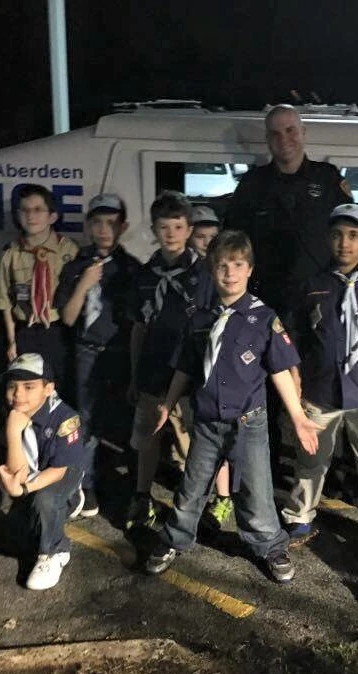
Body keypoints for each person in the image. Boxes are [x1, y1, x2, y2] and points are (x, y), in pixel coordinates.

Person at [145, 231, 320, 581]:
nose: (230, 273)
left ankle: (270, 546)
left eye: (237, 265)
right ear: (212, 270)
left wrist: (298, 416)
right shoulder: (200, 318)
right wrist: (167, 402)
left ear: (250, 270)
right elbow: (185, 367)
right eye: (222, 266)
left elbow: (280, 370)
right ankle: (174, 539)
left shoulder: (262, 317)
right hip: (207, 422)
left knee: (256, 489)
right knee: (192, 486)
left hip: (249, 422)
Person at [227, 105, 352, 483]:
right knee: (265, 388)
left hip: (318, 307)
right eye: (276, 133)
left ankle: (316, 471)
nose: (285, 139)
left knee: (317, 388)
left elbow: (355, 229)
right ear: (268, 140)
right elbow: (232, 242)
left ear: (303, 132)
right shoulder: (253, 186)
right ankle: (263, 467)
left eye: (290, 130)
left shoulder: (328, 179)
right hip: (267, 306)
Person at [281, 204, 358, 559]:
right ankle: (300, 515)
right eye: (337, 235)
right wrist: (296, 384)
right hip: (320, 393)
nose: (344, 243)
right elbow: (294, 338)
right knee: (311, 462)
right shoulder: (314, 285)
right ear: (328, 238)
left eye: (353, 236)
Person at [126, 191, 215, 530]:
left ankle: (195, 500)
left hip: (192, 372)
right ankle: (142, 495)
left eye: (178, 227)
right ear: (154, 229)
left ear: (189, 228)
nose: (171, 234)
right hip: (154, 367)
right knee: (148, 435)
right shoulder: (147, 274)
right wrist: (135, 376)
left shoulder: (205, 271)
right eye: (164, 227)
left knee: (192, 436)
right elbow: (139, 327)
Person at [55, 193, 140, 519]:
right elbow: (68, 317)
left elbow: (136, 321)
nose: (104, 229)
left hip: (118, 354)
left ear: (123, 226)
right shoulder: (77, 265)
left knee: (124, 421)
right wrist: (85, 283)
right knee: (85, 421)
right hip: (86, 352)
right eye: (97, 222)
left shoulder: (131, 268)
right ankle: (85, 484)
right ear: (88, 226)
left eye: (112, 222)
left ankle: (129, 487)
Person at [0, 354, 85, 590]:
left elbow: (57, 471)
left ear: (48, 388)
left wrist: (24, 488)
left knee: (45, 499)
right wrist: (13, 432)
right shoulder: (12, 413)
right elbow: (18, 472)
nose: (18, 394)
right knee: (18, 533)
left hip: (64, 469)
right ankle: (68, 501)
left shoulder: (66, 418)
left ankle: (56, 551)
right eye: (12, 386)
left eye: (29, 387)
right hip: (37, 472)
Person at [0, 184, 79, 387]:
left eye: (38, 210)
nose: (31, 216)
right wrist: (12, 340)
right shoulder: (12, 254)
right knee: (27, 385)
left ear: (52, 216)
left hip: (59, 330)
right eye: (25, 210)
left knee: (59, 387)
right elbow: (5, 301)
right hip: (26, 330)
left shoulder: (69, 250)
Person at [188, 205, 234, 530]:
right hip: (191, 358)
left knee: (219, 435)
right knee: (194, 434)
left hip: (218, 364)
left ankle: (224, 497)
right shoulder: (186, 270)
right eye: (200, 236)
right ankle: (202, 492)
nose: (205, 242)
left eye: (211, 237)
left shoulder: (221, 271)